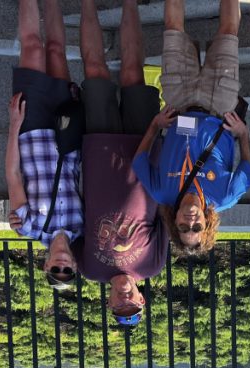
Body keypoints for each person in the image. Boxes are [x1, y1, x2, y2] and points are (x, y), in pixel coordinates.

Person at [131, 0, 250, 256]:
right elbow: (248, 172)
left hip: (179, 102)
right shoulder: (224, 198)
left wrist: (155, 126)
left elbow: (139, 162)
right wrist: (242, 134)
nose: (191, 220)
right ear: (206, 224)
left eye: (184, 227)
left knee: (173, 29)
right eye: (197, 226)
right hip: (219, 106)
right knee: (228, 32)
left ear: (174, 224)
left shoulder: (161, 192)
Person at [72, 0, 168, 327]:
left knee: (94, 70)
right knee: (132, 71)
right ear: (142, 298)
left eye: (119, 307)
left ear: (109, 302)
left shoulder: (89, 269)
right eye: (133, 305)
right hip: (145, 147)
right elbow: (168, 211)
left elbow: (69, 227)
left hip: (98, 150)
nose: (125, 300)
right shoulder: (153, 265)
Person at [5, 0, 83, 290]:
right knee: (55, 52)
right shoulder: (83, 226)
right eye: (67, 270)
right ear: (74, 265)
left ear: (46, 264)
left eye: (56, 269)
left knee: (33, 48)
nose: (62, 264)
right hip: (66, 132)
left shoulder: (27, 227)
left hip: (33, 129)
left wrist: (14, 124)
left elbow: (13, 173)